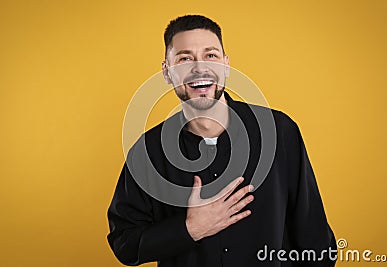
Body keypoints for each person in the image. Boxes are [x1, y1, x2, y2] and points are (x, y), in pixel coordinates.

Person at [107, 15, 336, 266]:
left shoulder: (280, 132)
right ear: (166, 72)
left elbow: (315, 239)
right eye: (184, 58)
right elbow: (125, 244)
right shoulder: (147, 152)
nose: (199, 68)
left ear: (226, 65)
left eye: (211, 55)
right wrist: (190, 229)